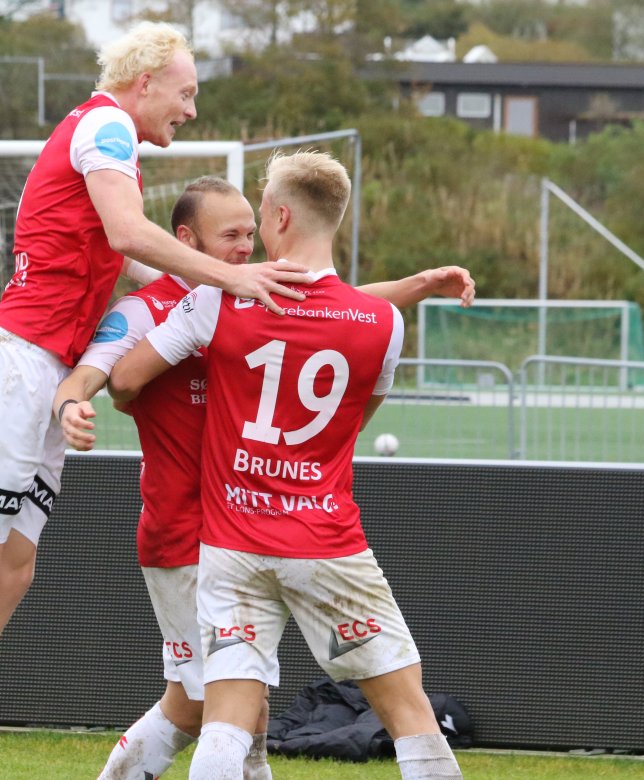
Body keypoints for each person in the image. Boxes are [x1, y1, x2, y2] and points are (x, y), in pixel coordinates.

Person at [0, 22, 311, 780]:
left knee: (11, 570)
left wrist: (237, 291)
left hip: (44, 373)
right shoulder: (106, 125)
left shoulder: (109, 138)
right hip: (15, 361)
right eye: (186, 93)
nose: (191, 110)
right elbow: (129, 233)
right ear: (145, 82)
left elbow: (138, 266)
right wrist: (235, 276)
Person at [56, 176, 473, 779]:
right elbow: (110, 378)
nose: (246, 248)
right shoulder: (156, 308)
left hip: (231, 532)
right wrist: (72, 406)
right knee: (203, 705)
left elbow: (323, 299)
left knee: (231, 709)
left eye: (251, 233)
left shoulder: (232, 300)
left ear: (276, 221)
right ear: (185, 241)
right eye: (231, 235)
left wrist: (416, 285)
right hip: (190, 529)